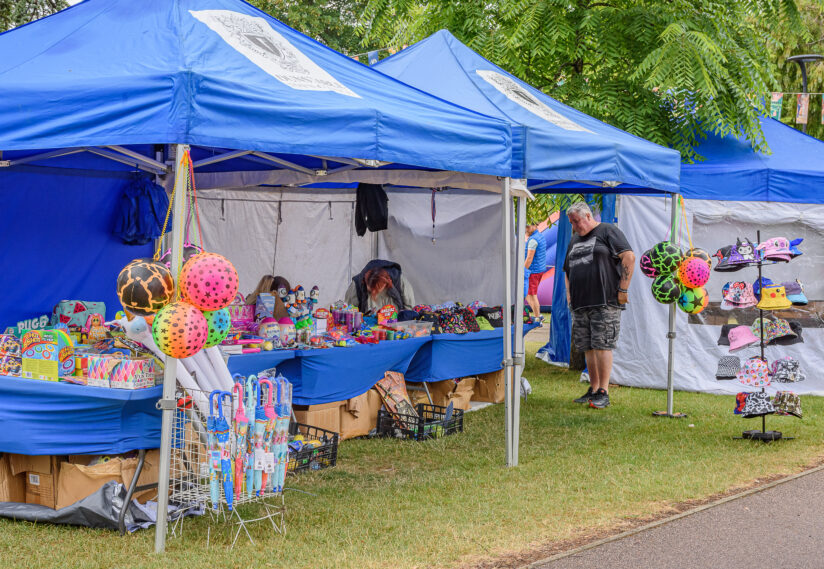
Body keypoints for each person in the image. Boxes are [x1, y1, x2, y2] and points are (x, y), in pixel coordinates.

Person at [563, 202, 635, 409]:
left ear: (587, 215)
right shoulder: (574, 239)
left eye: (576, 221)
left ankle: (604, 390)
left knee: (602, 344)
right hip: (580, 302)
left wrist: (623, 289)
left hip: (605, 300)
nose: (575, 226)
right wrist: (569, 296)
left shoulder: (607, 231)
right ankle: (593, 389)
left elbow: (628, 257)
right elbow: (567, 270)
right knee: (588, 345)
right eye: (572, 223)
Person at [344, 259, 415, 314]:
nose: (374, 292)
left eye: (377, 288)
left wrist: (403, 323)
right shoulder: (356, 284)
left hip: (396, 326)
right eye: (371, 290)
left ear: (386, 282)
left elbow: (409, 308)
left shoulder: (400, 280)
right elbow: (349, 311)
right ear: (365, 281)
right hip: (368, 328)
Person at [524, 222, 547, 321]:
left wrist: (523, 271)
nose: (526, 229)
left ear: (534, 225)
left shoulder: (533, 240)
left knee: (530, 295)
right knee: (530, 294)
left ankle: (538, 317)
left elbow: (529, 258)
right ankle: (538, 316)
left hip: (533, 271)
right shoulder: (540, 236)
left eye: (528, 226)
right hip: (539, 270)